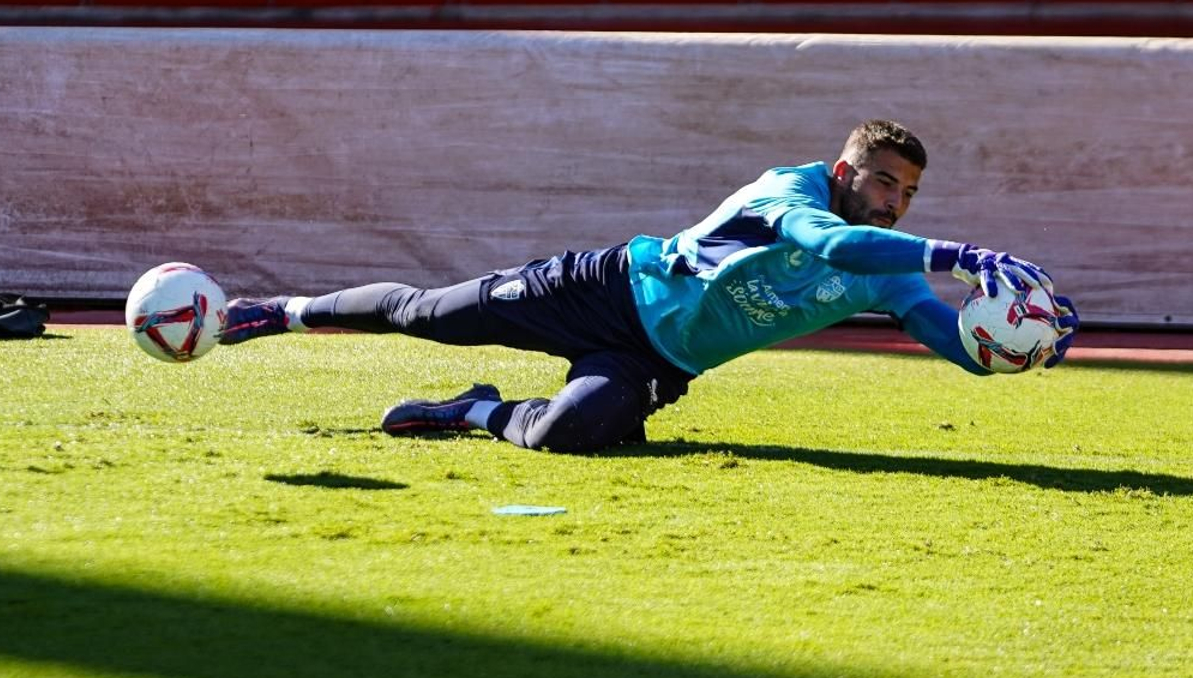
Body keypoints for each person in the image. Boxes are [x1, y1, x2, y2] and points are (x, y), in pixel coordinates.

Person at [219, 120, 1077, 454]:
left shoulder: (889, 270)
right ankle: (280, 310)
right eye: (887, 182)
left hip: (660, 358)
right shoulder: (795, 191)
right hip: (608, 290)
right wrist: (957, 251)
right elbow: (828, 243)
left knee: (568, 437)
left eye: (909, 195)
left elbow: (949, 339)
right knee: (429, 314)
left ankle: (473, 410)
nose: (895, 203)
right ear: (848, 169)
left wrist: (1013, 346)